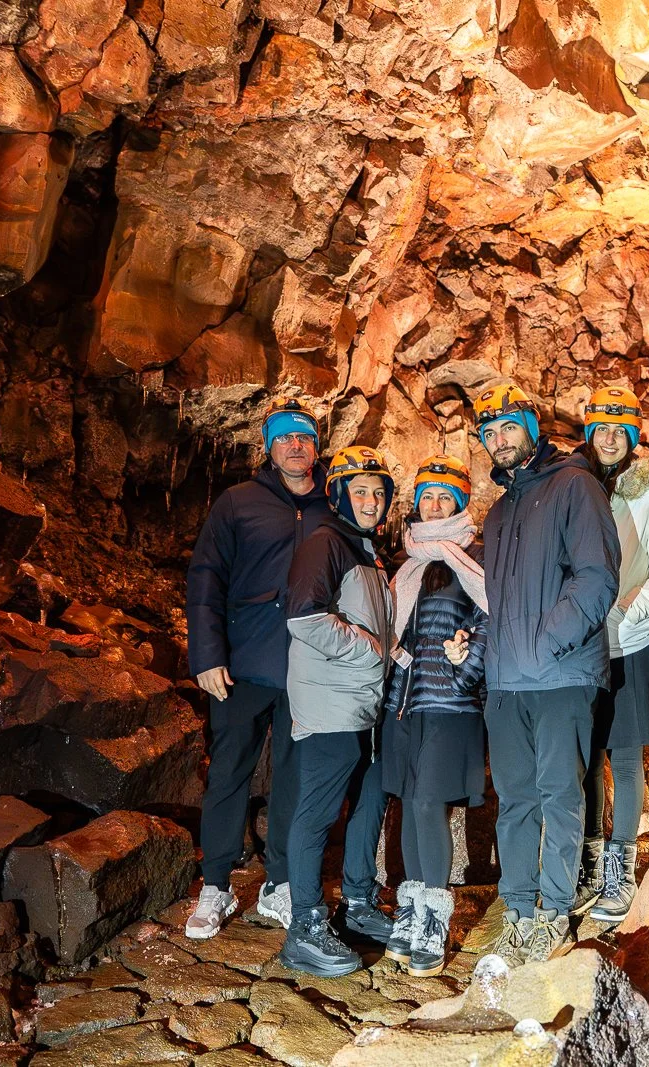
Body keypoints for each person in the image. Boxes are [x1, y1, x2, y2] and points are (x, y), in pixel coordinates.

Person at [473, 383, 619, 964]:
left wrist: (543, 644)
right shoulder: (501, 510)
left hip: (562, 676)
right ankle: (517, 904)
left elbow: (596, 579)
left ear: (531, 429)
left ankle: (555, 908)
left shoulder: (575, 486)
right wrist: (486, 650)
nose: (499, 440)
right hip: (507, 683)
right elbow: (499, 601)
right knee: (513, 799)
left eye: (509, 427)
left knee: (560, 794)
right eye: (490, 432)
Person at [183, 399, 329, 940]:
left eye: (305, 438)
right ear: (268, 447)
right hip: (241, 665)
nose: (295, 446)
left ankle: (282, 883)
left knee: (295, 776)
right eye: (285, 438)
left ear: (316, 447)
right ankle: (216, 885)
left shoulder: (330, 505)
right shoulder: (238, 503)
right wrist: (207, 654)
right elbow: (206, 578)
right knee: (227, 775)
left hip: (307, 669)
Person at [275, 446, 398, 977]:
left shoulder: (366, 550)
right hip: (329, 705)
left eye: (378, 492)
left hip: (363, 705)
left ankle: (358, 903)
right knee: (319, 813)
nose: (370, 501)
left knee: (369, 802)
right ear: (339, 494)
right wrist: (369, 649)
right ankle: (304, 925)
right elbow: (305, 620)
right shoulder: (325, 543)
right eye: (360, 491)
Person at [572, 386, 649, 923]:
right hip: (581, 644)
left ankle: (621, 865)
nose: (611, 438)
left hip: (628, 639)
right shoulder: (575, 485)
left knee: (623, 752)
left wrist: (629, 612)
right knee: (586, 755)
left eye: (621, 429)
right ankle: (588, 860)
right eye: (603, 428)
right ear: (590, 433)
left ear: (634, 436)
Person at [380, 456, 489, 977]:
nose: (436, 505)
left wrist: (468, 665)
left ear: (461, 504)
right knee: (408, 803)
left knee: (428, 803)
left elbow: (491, 620)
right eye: (429, 496)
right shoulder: (408, 566)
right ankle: (409, 909)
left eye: (446, 497)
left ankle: (435, 918)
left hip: (451, 704)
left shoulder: (474, 560)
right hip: (405, 705)